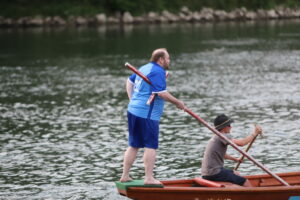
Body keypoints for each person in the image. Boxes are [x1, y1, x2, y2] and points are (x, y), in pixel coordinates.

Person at [120, 48, 186, 185]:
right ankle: (149, 178)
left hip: (133, 110)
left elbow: (129, 81)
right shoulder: (157, 71)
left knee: (133, 145)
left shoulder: (145, 67)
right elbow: (161, 93)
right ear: (161, 59)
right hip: (147, 114)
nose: (169, 60)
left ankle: (125, 176)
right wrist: (178, 103)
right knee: (151, 145)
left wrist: (132, 99)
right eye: (167, 58)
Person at [201, 114, 262, 187]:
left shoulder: (216, 137)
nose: (231, 127)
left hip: (206, 173)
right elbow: (241, 143)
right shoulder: (223, 136)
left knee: (236, 173)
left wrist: (236, 159)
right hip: (214, 173)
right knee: (245, 181)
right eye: (229, 125)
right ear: (224, 127)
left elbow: (223, 155)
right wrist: (254, 133)